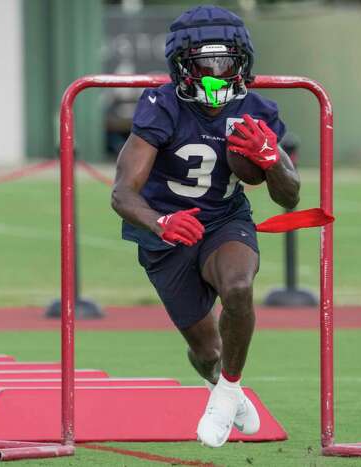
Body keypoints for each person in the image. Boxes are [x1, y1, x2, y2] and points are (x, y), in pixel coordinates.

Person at [111, 5, 300, 448]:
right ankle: (222, 384)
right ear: (182, 66)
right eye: (204, 63)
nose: (216, 72)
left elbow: (289, 196)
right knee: (207, 351)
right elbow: (122, 193)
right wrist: (160, 222)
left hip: (223, 219)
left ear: (242, 64)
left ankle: (229, 390)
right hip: (167, 229)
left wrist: (272, 160)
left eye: (225, 62)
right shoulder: (162, 105)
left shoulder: (257, 108)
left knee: (237, 287)